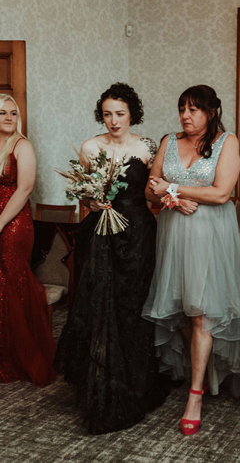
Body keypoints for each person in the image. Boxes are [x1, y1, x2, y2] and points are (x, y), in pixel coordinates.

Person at [144, 85, 240, 435]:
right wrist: (172, 199)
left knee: (203, 317)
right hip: (173, 237)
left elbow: (221, 193)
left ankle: (194, 396)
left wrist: (174, 189)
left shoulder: (228, 142)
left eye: (194, 109)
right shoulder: (168, 141)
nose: (186, 115)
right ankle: (206, 371)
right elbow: (151, 189)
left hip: (210, 238)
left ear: (211, 112)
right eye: (182, 108)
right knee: (183, 312)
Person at [54, 83, 170, 434]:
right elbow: (84, 196)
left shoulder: (148, 146)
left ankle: (134, 380)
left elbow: (154, 192)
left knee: (132, 305)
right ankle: (98, 381)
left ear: (132, 113)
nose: (114, 120)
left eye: (120, 113)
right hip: (100, 234)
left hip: (137, 233)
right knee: (98, 303)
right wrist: (93, 202)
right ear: (100, 115)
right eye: (107, 114)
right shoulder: (91, 146)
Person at [0, 94, 55, 386]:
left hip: (15, 222)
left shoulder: (22, 146)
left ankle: (18, 356)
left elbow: (24, 190)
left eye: (12, 112)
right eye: (1, 113)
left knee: (12, 278)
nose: (8, 117)